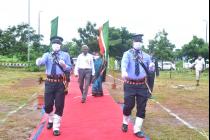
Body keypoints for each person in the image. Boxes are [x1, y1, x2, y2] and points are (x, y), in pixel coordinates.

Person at [36, 36, 71, 136]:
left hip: (60, 83)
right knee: (47, 106)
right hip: (49, 82)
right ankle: (50, 118)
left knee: (59, 105)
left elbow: (69, 68)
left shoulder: (65, 55)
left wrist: (65, 66)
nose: (56, 45)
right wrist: (38, 61)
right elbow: (42, 62)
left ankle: (56, 126)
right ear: (52, 45)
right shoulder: (47, 55)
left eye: (58, 44)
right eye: (54, 44)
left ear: (60, 45)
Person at [121, 34, 154, 138]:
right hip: (129, 84)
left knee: (141, 108)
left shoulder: (147, 56)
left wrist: (152, 67)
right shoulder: (127, 54)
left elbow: (150, 71)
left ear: (142, 43)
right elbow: (124, 64)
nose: (138, 43)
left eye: (140, 41)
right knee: (128, 105)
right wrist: (123, 72)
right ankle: (125, 122)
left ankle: (137, 129)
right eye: (136, 41)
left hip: (142, 85)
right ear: (133, 43)